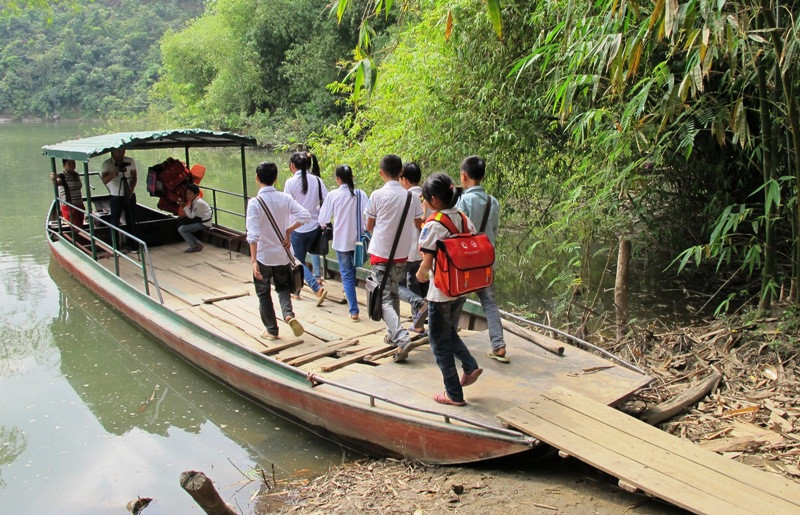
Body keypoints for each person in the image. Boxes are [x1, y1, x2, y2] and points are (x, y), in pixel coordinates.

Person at [415, 172, 483, 406]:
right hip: (461, 290)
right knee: (448, 331)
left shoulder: (434, 223)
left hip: (441, 292)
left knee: (438, 341)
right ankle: (470, 366)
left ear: (433, 200)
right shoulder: (464, 219)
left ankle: (453, 393)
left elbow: (427, 258)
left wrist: (421, 273)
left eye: (424, 199)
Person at [365, 154, 423, 359]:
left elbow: (369, 226)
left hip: (381, 253)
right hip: (402, 255)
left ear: (381, 173)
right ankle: (392, 335)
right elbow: (419, 223)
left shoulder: (377, 195)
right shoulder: (412, 197)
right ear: (401, 173)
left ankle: (401, 337)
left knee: (383, 300)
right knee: (394, 292)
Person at [246, 161, 309, 340]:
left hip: (264, 256)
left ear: (257, 178)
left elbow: (253, 234)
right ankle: (288, 314)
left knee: (263, 292)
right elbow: (306, 215)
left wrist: (253, 261)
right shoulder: (284, 198)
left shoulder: (255, 203)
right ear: (276, 178)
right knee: (282, 286)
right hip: (282, 254)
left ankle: (272, 330)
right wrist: (288, 231)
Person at [454, 155, 507, 362]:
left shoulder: (463, 201)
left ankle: (451, 339)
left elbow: (458, 232)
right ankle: (499, 345)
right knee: (490, 304)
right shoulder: (493, 202)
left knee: (456, 301)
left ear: (464, 176)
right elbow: (493, 231)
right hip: (485, 262)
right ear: (482, 176)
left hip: (465, 264)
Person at [318, 165, 370, 321]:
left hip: (341, 241)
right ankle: (352, 300)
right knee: (352, 273)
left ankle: (354, 311)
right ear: (352, 177)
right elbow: (368, 219)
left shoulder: (333, 195)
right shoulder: (361, 194)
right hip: (358, 241)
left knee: (347, 275)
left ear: (338, 179)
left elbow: (323, 219)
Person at [284, 151, 328, 306]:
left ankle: (316, 288)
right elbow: (326, 201)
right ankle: (296, 292)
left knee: (296, 261)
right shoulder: (317, 180)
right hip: (314, 227)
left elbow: (286, 205)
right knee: (299, 260)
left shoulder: (290, 182)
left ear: (292, 165)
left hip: (297, 228)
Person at [397, 162, 428, 333]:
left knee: (397, 284)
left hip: (407, 250)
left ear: (404, 179)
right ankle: (419, 321)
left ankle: (419, 313)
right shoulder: (429, 196)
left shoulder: (404, 197)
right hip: (426, 251)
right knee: (420, 283)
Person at [100, 148, 138, 251]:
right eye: (119, 151)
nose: (121, 153)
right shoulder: (107, 164)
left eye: (123, 151)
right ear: (113, 152)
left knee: (131, 220)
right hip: (116, 196)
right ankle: (114, 247)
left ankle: (133, 246)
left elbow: (134, 177)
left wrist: (131, 189)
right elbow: (104, 180)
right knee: (115, 221)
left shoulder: (130, 161)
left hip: (129, 194)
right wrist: (115, 171)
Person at [177, 183, 213, 253]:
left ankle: (195, 246)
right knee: (181, 225)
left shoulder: (198, 203)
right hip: (199, 220)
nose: (188, 196)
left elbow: (191, 216)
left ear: (196, 194)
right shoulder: (193, 202)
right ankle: (196, 244)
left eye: (190, 194)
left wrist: (184, 206)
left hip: (204, 223)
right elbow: (191, 214)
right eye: (187, 194)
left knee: (182, 229)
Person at [50, 159, 85, 227]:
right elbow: (57, 183)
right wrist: (53, 179)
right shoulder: (62, 176)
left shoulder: (76, 175)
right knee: (76, 229)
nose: (72, 165)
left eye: (73, 163)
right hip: (69, 207)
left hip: (79, 205)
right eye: (69, 163)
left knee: (80, 227)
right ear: (64, 165)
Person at [308, 155, 324, 286]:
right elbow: (326, 199)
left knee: (297, 256)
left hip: (300, 224)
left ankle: (298, 288)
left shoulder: (293, 181)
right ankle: (317, 276)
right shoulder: (317, 180)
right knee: (314, 250)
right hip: (316, 222)